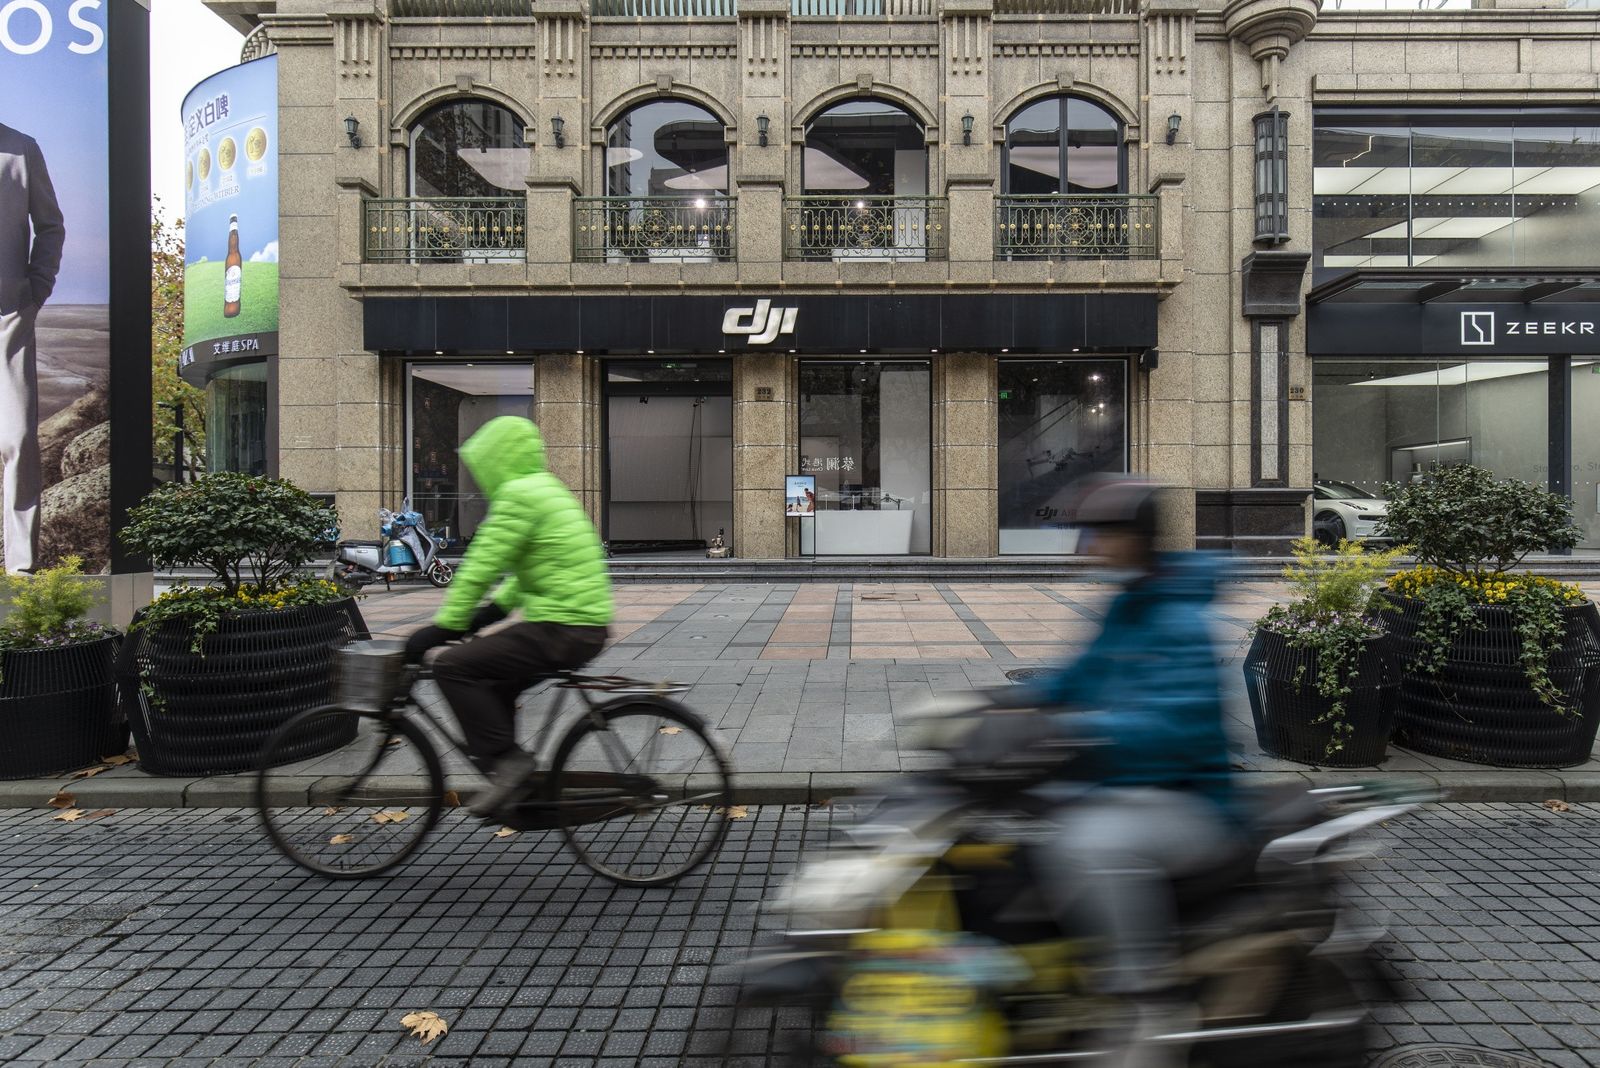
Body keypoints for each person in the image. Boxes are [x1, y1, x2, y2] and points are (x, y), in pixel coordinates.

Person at [1022, 476, 1240, 1065]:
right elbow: (1075, 678)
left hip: (1182, 799)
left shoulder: (1180, 621)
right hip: (1119, 784)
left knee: (1086, 845)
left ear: (1135, 540)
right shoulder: (1127, 605)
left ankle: (1146, 999)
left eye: (1100, 536)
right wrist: (998, 702)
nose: (1089, 548)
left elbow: (1176, 727)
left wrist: (1082, 731)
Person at [404, 416, 613, 818]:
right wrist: (490, 614)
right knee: (494, 677)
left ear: (495, 460)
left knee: (453, 666)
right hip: (580, 622)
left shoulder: (519, 495)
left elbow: (481, 566)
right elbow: (530, 569)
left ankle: (508, 763)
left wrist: (443, 627)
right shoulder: (546, 489)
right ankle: (516, 783)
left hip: (562, 626)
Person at [0, 122, 65, 574]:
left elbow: (50, 226)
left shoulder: (21, 148)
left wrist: (35, 289)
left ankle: (20, 572)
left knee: (19, 439)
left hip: (8, 316)